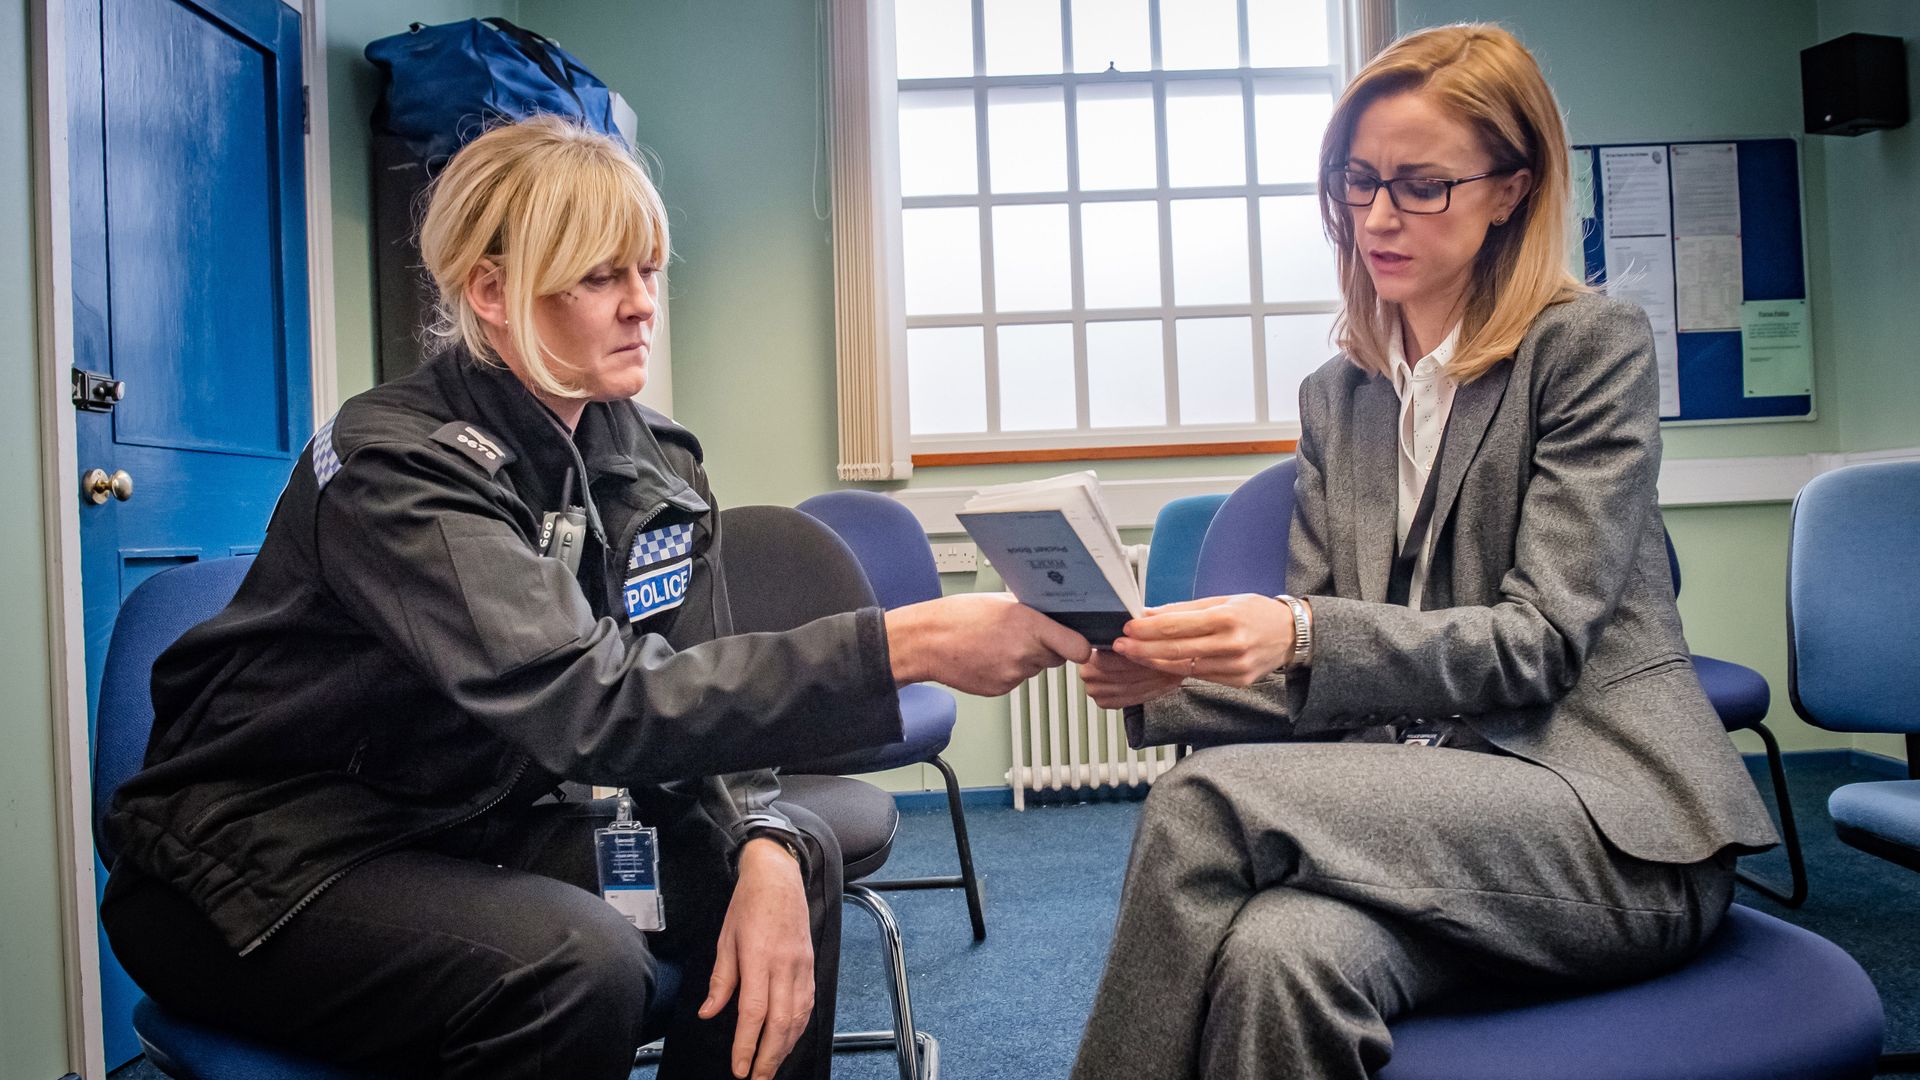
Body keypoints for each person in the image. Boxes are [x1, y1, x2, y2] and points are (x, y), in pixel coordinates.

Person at [100, 115, 1089, 1080]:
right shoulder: (393, 469)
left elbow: (685, 684)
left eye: (648, 270)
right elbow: (595, 702)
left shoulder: (650, 465)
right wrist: (897, 646)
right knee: (573, 965)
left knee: (792, 862)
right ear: (492, 291)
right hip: (263, 862)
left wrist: (765, 836)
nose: (641, 304)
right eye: (600, 277)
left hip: (466, 817)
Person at [1070, 25, 1777, 1080]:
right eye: (1357, 184)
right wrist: (1160, 678)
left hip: (1609, 832)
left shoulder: (1588, 348)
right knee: (1278, 957)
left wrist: (1299, 631)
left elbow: (1536, 645)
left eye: (1420, 185)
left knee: (1201, 804)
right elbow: (1327, 680)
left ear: (1511, 189)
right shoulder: (1340, 397)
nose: (1377, 217)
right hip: (1419, 820)